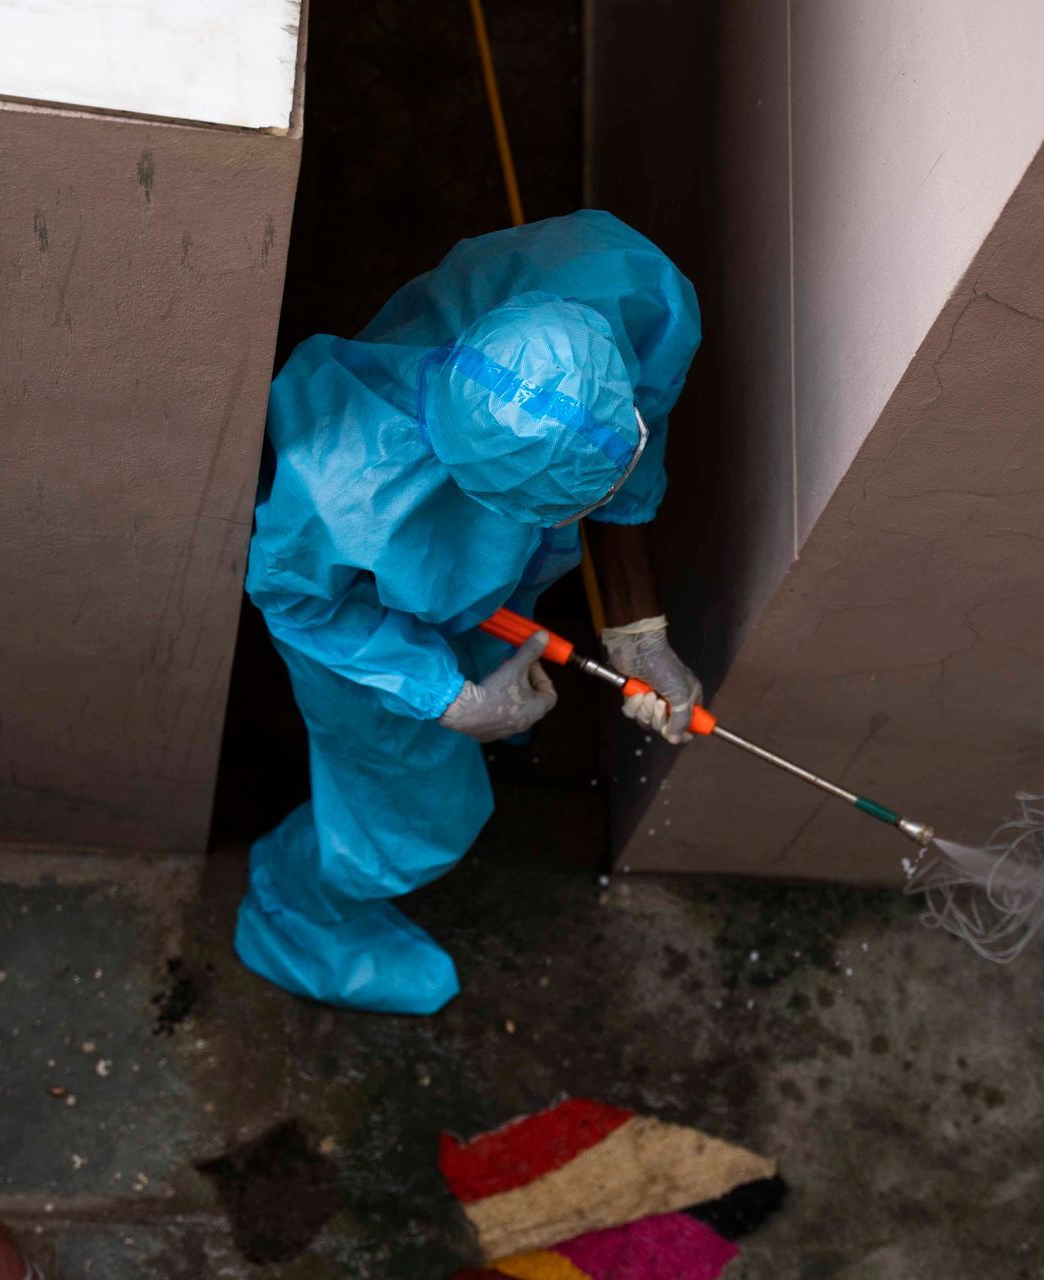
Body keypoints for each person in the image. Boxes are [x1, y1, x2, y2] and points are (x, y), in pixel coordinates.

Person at [238, 211, 703, 1014]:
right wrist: (445, 699)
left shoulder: (632, 294)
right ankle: (297, 911)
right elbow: (297, 600)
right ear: (466, 484)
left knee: (502, 628)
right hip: (355, 625)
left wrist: (638, 629)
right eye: (530, 513)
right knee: (410, 815)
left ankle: (489, 700)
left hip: (482, 551)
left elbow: (629, 446)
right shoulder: (342, 487)